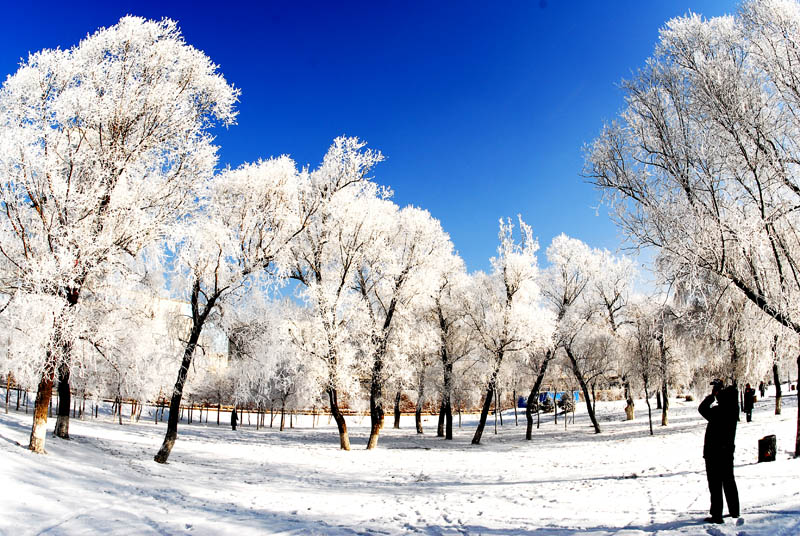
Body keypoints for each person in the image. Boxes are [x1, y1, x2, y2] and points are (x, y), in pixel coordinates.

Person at [699, 379, 740, 524]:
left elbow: (702, 409)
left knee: (715, 484)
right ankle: (734, 510)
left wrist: (713, 395)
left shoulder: (719, 412)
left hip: (714, 453)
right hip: (727, 452)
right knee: (729, 481)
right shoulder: (734, 411)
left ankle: (717, 515)